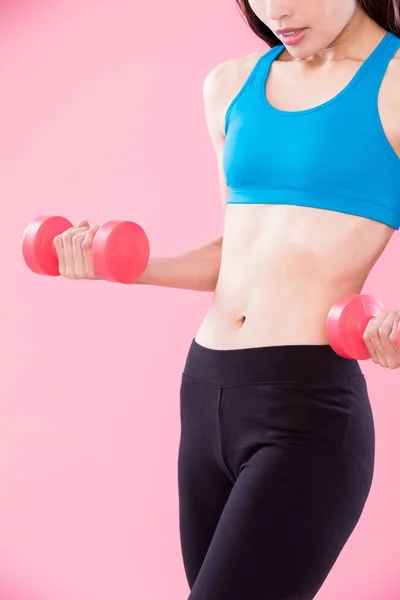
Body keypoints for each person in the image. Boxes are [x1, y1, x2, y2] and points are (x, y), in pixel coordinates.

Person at [52, 1, 400, 598]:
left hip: (305, 408)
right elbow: (237, 253)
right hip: (205, 388)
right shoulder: (231, 84)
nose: (277, 9)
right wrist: (120, 265)